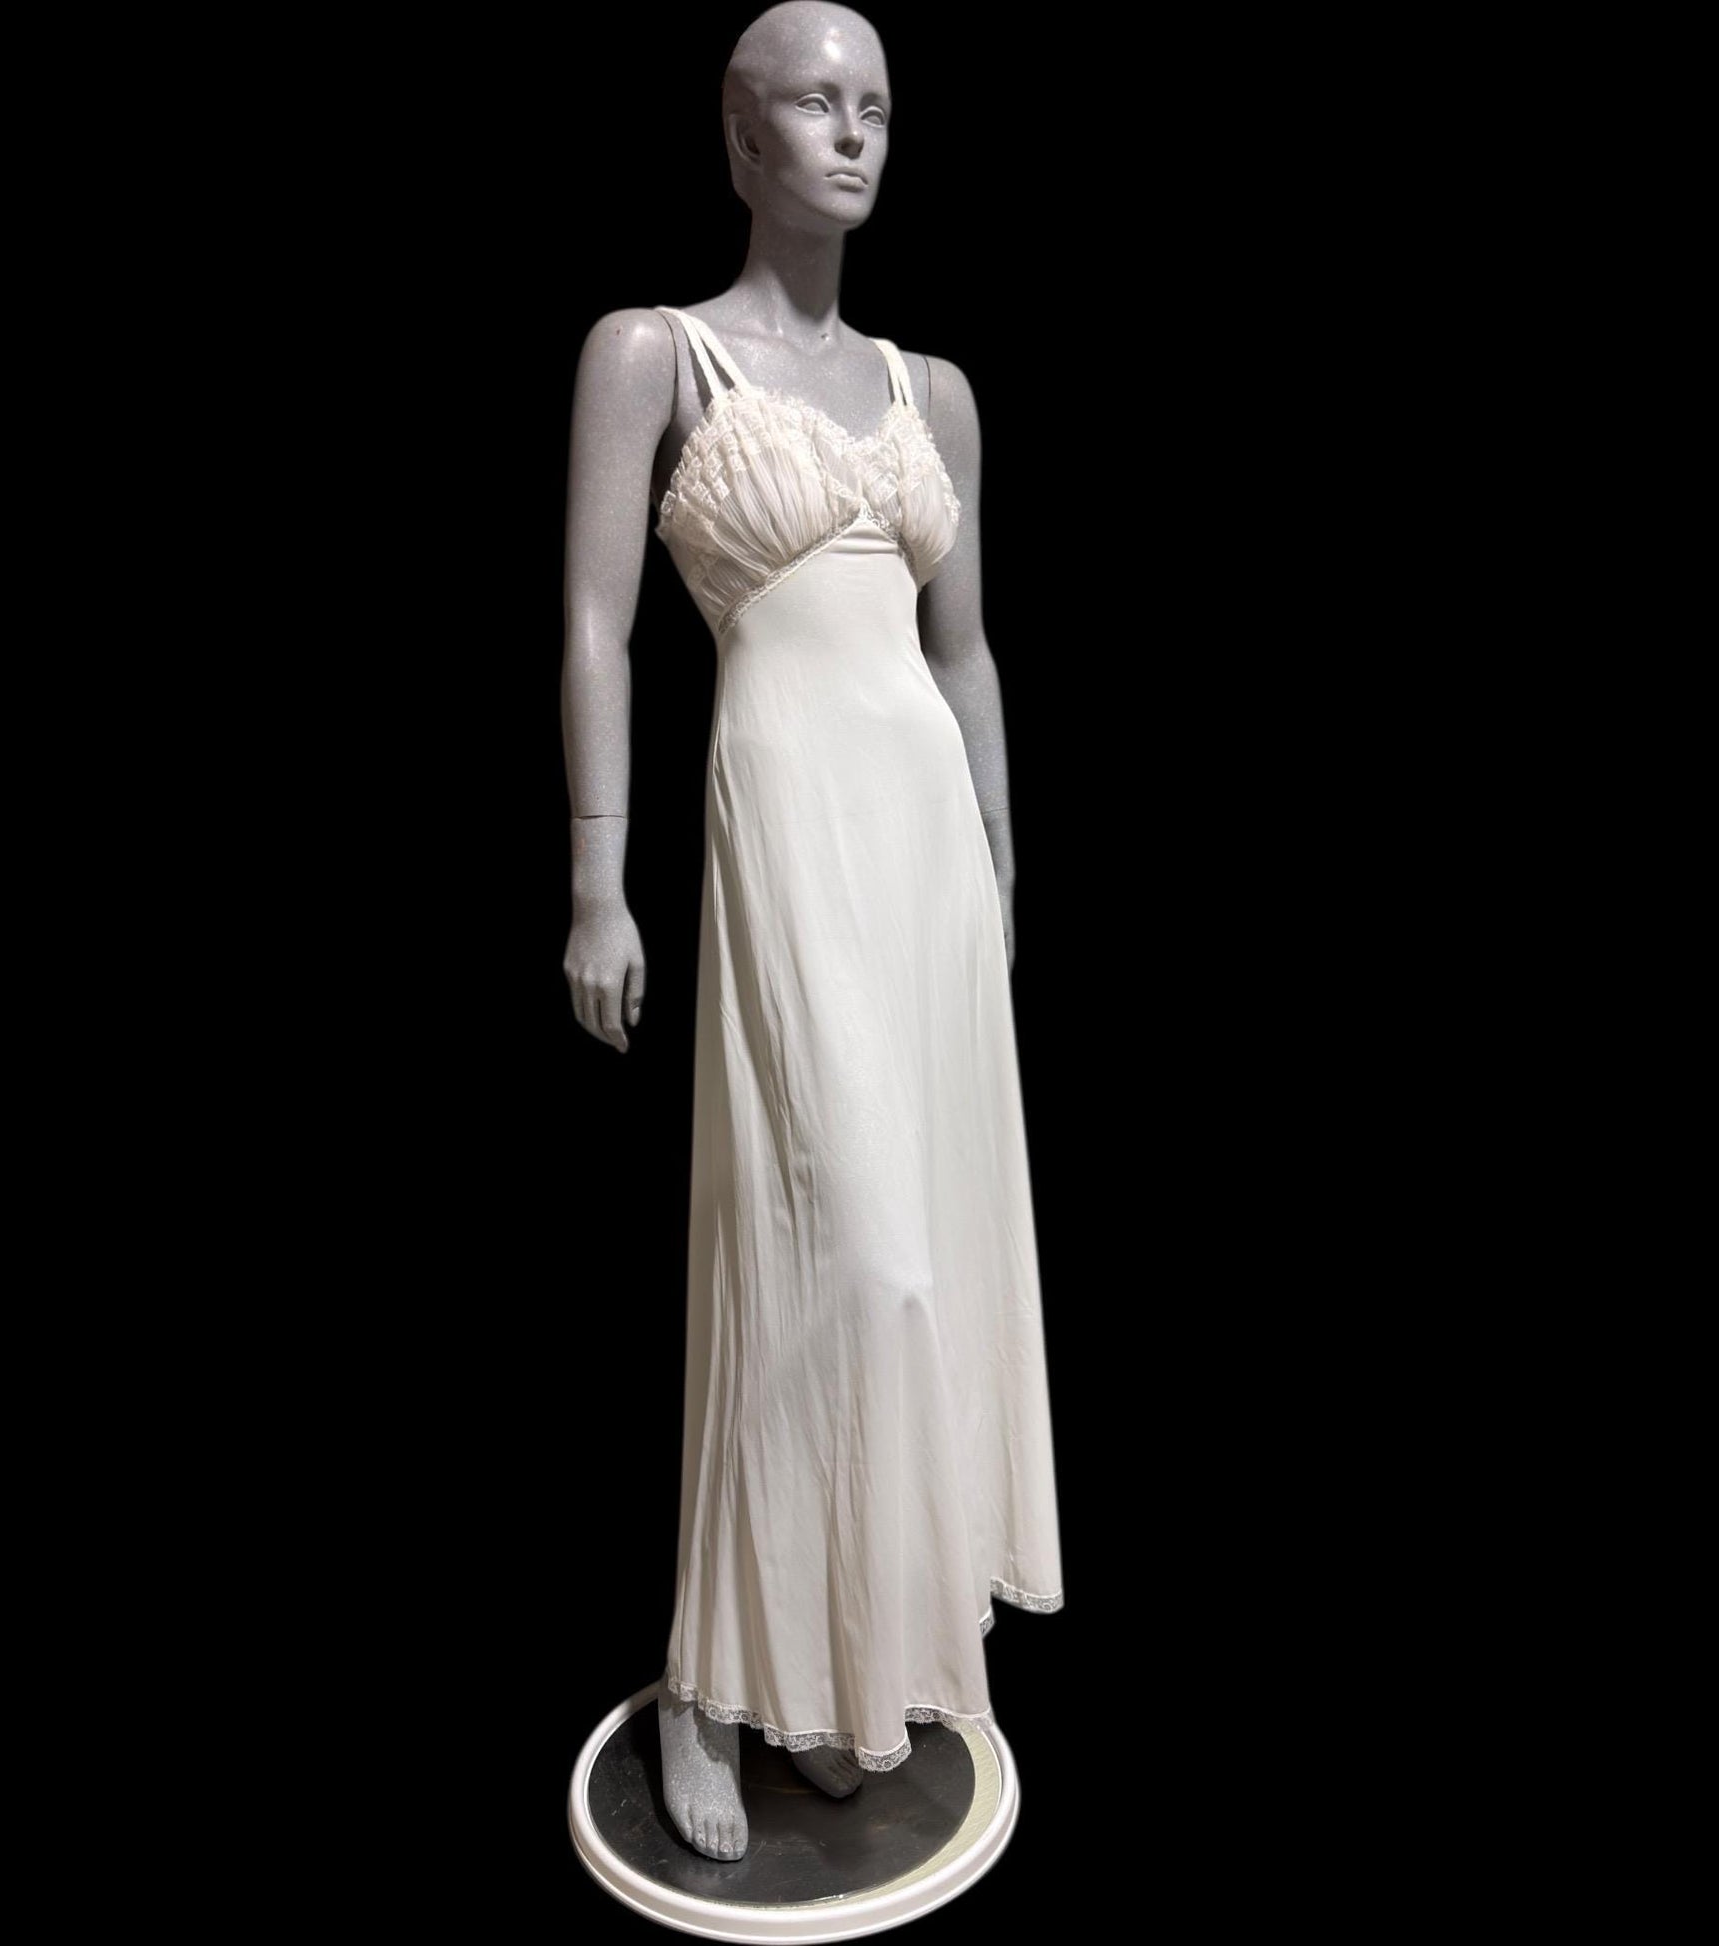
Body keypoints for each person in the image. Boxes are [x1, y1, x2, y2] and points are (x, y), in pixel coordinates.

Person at [560, 2, 1063, 1864]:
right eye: (812, 103)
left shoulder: (935, 393)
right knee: (831, 1251)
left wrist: (1000, 868)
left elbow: (965, 649)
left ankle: (838, 1671)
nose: (851, 135)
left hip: (926, 852)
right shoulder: (654, 353)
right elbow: (594, 627)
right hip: (782, 820)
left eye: (876, 107)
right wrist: (595, 879)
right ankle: (711, 1680)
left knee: (922, 1254)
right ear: (737, 133)